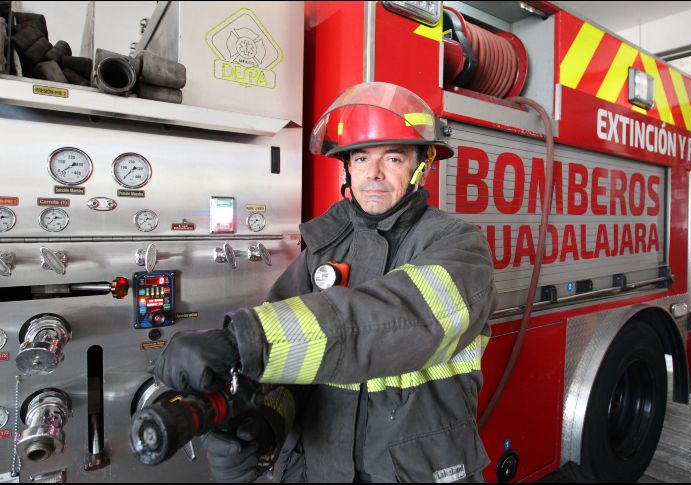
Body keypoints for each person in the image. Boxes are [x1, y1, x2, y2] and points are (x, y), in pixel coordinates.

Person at [151, 82, 497, 482]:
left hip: (413, 471)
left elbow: (401, 320)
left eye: (393, 158)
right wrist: (267, 423)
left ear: (423, 166)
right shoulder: (323, 247)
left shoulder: (457, 245)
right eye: (361, 158)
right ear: (347, 167)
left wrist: (246, 340)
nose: (373, 173)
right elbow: (287, 370)